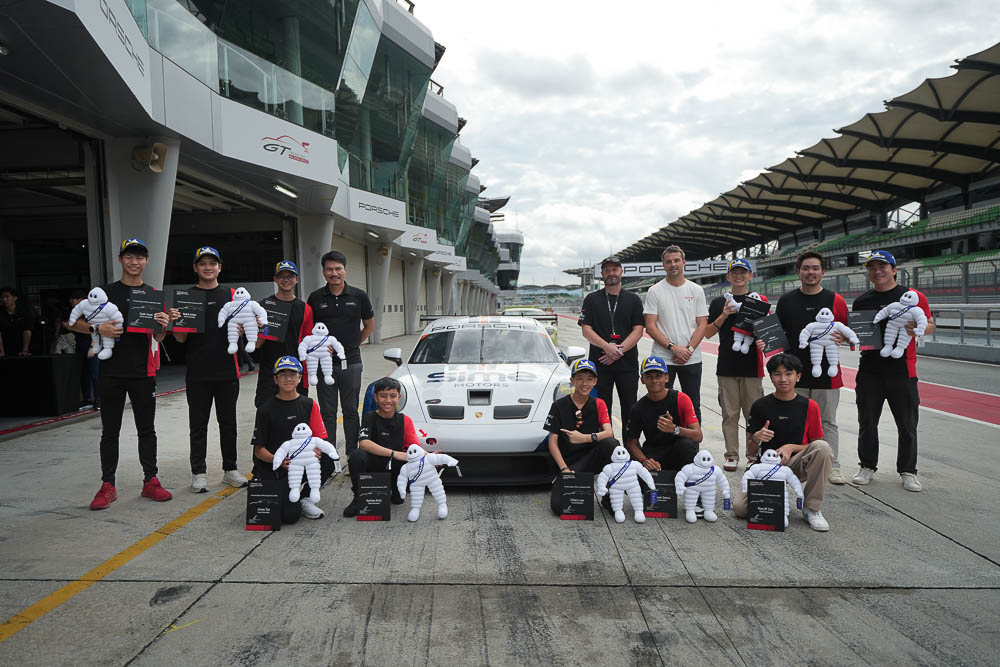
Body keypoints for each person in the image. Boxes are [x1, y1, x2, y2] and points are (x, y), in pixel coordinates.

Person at [66, 239, 179, 510]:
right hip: (111, 372)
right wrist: (97, 330)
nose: (134, 262)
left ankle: (151, 480)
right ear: (120, 259)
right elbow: (72, 323)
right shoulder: (103, 293)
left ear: (146, 261)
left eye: (139, 257)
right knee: (110, 431)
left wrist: (165, 326)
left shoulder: (153, 295)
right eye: (129, 256)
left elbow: (158, 337)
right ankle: (108, 485)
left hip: (142, 371)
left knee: (146, 429)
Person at [851, 250, 934, 491]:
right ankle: (867, 466)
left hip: (902, 371)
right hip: (869, 370)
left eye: (882, 266)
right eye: (872, 267)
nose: (877, 271)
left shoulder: (913, 296)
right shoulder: (862, 301)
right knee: (867, 422)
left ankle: (908, 471)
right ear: (868, 272)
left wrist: (918, 328)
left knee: (907, 425)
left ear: (894, 270)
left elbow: (930, 324)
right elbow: (858, 333)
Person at [172, 246, 248, 493]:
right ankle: (199, 473)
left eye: (212, 263)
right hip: (198, 373)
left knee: (228, 424)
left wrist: (243, 329)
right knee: (198, 425)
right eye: (202, 263)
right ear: (195, 267)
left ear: (219, 267)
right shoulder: (186, 296)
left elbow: (247, 328)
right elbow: (180, 339)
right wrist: (177, 321)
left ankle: (230, 469)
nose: (208, 267)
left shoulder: (232, 295)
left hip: (227, 371)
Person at [734, 353, 834, 532]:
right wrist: (756, 438)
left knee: (823, 448)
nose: (783, 379)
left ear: (798, 376)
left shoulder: (809, 406)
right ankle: (775, 497)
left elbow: (817, 444)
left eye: (789, 374)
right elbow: (751, 450)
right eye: (777, 374)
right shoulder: (760, 405)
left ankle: (812, 508)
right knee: (740, 509)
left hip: (795, 463)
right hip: (766, 467)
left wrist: (791, 447)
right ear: (771, 377)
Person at [775, 250, 849, 485]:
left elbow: (851, 332)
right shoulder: (786, 301)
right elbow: (777, 335)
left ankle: (833, 465)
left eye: (815, 268)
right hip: (794, 374)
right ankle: (793, 463)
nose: (811, 272)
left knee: (828, 421)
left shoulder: (835, 300)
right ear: (798, 272)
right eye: (806, 268)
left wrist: (844, 338)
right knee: (795, 421)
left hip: (828, 374)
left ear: (823, 272)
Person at [307, 250, 375, 456]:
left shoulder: (359, 296)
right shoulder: (315, 298)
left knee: (351, 411)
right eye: (329, 269)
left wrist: (352, 345)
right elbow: (309, 330)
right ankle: (329, 456)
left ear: (345, 270)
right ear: (323, 271)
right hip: (324, 364)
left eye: (338, 268)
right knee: (327, 413)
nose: (334, 273)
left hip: (351, 363)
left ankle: (352, 453)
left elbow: (369, 326)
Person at [250, 356, 331, 522]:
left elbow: (320, 438)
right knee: (289, 517)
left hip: (302, 463)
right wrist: (278, 460)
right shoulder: (265, 409)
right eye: (283, 375)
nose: (288, 379)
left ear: (300, 378)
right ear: (275, 379)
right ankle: (281, 493)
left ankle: (306, 497)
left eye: (293, 374)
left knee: (329, 458)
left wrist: (317, 452)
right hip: (276, 465)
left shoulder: (309, 404)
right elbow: (259, 451)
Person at [706, 259, 767, 471]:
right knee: (729, 415)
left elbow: (768, 331)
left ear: (750, 276)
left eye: (743, 272)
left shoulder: (759, 300)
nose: (739, 276)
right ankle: (731, 455)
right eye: (735, 272)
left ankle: (753, 455)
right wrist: (724, 314)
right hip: (727, 367)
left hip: (752, 368)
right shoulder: (718, 302)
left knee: (753, 415)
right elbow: (707, 333)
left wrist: (764, 342)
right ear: (728, 276)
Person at [643, 245, 709, 423]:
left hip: (691, 358)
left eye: (676, 260)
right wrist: (673, 348)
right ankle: (661, 440)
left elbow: (702, 324)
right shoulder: (654, 291)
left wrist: (688, 349)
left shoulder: (696, 290)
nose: (673, 264)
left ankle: (693, 440)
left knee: (693, 404)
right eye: (669, 261)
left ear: (683, 262)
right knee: (660, 403)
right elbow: (650, 326)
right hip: (663, 358)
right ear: (663, 265)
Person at [578, 256, 645, 430]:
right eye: (607, 270)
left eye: (614, 269)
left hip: (627, 365)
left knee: (630, 409)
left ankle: (631, 445)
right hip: (600, 365)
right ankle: (605, 444)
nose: (611, 273)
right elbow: (586, 329)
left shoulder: (633, 299)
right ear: (602, 274)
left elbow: (638, 330)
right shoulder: (592, 299)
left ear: (621, 272)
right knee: (601, 410)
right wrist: (607, 347)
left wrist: (618, 351)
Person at [342, 376, 419, 518]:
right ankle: (359, 497)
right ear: (376, 397)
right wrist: (393, 453)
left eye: (393, 396)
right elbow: (364, 443)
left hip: (395, 468)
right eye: (383, 396)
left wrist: (431, 456)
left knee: (397, 500)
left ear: (399, 397)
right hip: (375, 465)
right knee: (357, 455)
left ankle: (392, 489)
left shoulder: (405, 420)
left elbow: (415, 448)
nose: (388, 400)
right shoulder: (369, 417)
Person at [252, 260, 314, 408]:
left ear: (296, 279)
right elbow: (256, 345)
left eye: (290, 276)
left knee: (296, 413)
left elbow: (309, 343)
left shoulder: (306, 309)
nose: (286, 280)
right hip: (270, 372)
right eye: (282, 276)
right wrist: (262, 329)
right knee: (266, 411)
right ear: (275, 279)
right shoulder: (262, 306)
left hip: (295, 371)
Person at [624, 356, 701, 473]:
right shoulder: (638, 408)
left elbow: (698, 436)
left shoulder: (681, 399)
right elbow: (632, 444)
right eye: (649, 377)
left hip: (678, 450)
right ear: (642, 380)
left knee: (687, 444)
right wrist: (644, 461)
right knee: (633, 466)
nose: (654, 380)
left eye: (658, 376)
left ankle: (687, 478)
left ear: (667, 377)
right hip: (654, 453)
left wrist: (675, 429)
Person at [544, 359, 618, 475]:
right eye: (580, 378)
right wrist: (564, 469)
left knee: (612, 443)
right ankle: (569, 475)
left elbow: (609, 433)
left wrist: (584, 438)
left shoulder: (599, 403)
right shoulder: (558, 405)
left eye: (589, 379)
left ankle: (615, 480)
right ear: (572, 380)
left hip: (590, 457)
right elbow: (552, 442)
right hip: (568, 460)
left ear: (595, 381)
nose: (584, 383)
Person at [66, 291, 101, 409]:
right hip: (80, 345)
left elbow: (96, 330)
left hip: (91, 344)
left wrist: (92, 347)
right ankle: (87, 399)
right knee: (83, 373)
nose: (71, 301)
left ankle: (98, 399)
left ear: (80, 300)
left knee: (95, 373)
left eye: (73, 299)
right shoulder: (76, 313)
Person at [0, 286, 33, 357]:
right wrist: (1, 352)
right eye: (2, 297)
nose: (4, 299)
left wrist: (24, 350)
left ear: (15, 298)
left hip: (21, 342)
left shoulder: (24, 311)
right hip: (5, 343)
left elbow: (27, 331)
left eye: (7, 297)